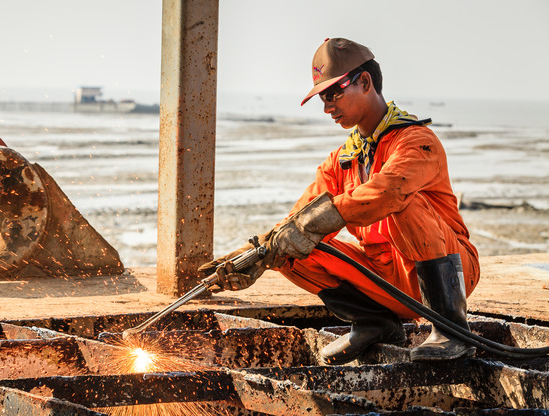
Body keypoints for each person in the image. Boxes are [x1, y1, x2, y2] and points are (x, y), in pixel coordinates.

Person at [198, 37, 480, 365]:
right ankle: (377, 323)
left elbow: (387, 192)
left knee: (401, 200)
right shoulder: (341, 161)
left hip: (449, 273)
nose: (327, 106)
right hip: (384, 281)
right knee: (290, 247)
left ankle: (451, 330)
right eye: (323, 98)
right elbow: (299, 220)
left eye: (333, 94)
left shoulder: (416, 141)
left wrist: (328, 215)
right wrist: (259, 252)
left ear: (364, 82)